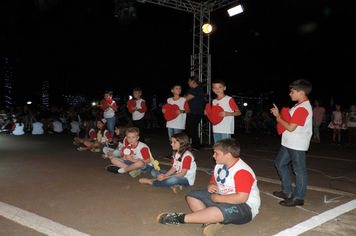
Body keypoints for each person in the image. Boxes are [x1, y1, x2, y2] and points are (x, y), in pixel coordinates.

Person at [157, 138, 260, 236]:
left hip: (245, 207)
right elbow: (213, 180)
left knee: (220, 210)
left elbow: (241, 198)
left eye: (216, 153)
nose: (213, 156)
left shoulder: (242, 171)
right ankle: (209, 221)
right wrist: (211, 185)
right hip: (222, 197)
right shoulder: (220, 164)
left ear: (228, 155)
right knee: (192, 196)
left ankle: (179, 218)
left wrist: (217, 198)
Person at [270, 79, 313, 207]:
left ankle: (298, 197)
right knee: (280, 164)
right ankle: (287, 192)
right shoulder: (297, 106)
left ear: (301, 92)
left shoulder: (302, 108)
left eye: (292, 92)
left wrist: (278, 118)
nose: (290, 94)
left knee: (299, 170)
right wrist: (279, 114)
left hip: (297, 144)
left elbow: (290, 127)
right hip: (289, 142)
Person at [162, 83, 190, 158]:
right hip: (170, 122)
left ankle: (179, 154)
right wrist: (164, 111)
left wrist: (181, 111)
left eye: (180, 88)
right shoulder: (169, 100)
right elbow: (167, 109)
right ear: (172, 90)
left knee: (178, 140)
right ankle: (172, 154)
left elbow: (188, 110)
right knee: (171, 139)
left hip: (178, 123)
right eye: (176, 88)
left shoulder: (183, 100)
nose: (179, 90)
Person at [184, 76, 204, 150]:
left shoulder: (197, 89)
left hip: (196, 112)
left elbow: (185, 99)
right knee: (191, 129)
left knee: (191, 129)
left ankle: (197, 145)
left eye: (189, 81)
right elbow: (184, 97)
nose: (188, 82)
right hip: (191, 112)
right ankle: (195, 145)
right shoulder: (190, 90)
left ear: (193, 81)